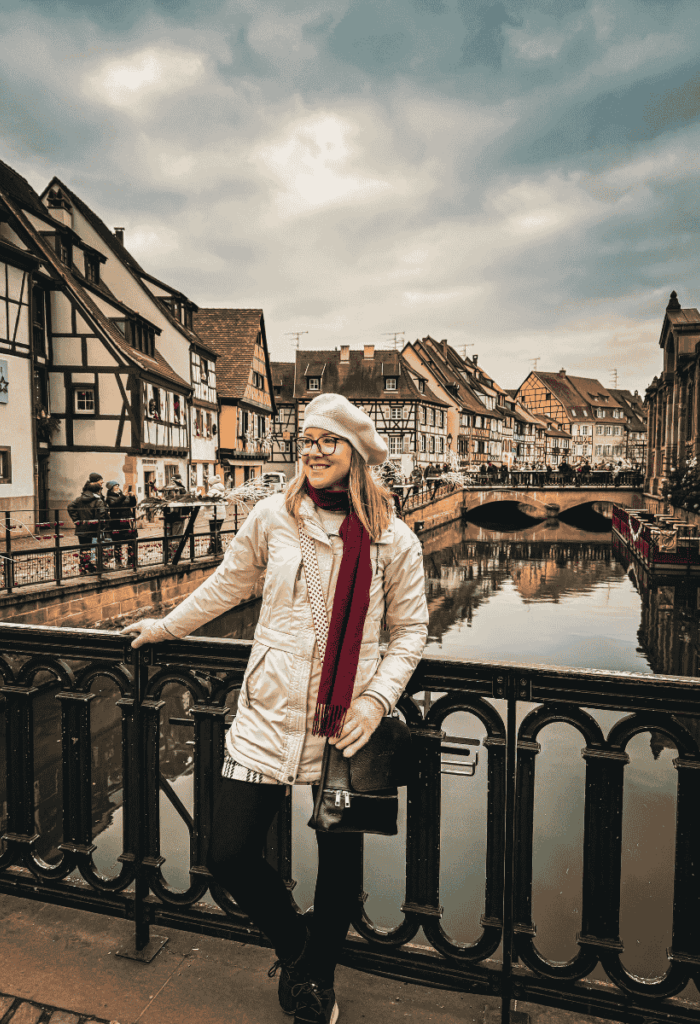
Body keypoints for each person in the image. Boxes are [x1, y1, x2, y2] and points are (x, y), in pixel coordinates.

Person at [121, 393, 428, 1024]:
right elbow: (229, 584)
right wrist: (168, 626)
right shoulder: (272, 516)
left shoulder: (393, 540)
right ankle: (296, 949)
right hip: (267, 714)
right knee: (227, 852)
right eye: (306, 439)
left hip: (346, 726)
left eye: (328, 440)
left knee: (338, 869)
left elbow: (411, 632)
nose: (313, 450)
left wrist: (376, 699)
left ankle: (316, 980)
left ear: (356, 453)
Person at [67, 473, 108, 574]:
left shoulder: (80, 498)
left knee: (84, 547)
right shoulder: (97, 500)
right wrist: (101, 525)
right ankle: (93, 566)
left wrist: (76, 520)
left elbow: (70, 506)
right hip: (93, 527)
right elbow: (102, 513)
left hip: (81, 527)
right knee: (92, 547)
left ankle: (84, 568)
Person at [105, 481, 137, 567]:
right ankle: (119, 563)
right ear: (111, 488)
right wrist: (124, 496)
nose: (118, 487)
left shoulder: (122, 495)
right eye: (115, 486)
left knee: (131, 541)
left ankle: (131, 561)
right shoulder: (109, 497)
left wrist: (132, 497)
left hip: (127, 523)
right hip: (117, 523)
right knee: (117, 543)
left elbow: (132, 504)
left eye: (118, 485)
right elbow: (114, 505)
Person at [206, 474, 227, 554]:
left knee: (213, 531)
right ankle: (215, 548)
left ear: (211, 483)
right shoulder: (221, 490)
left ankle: (215, 549)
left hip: (213, 514)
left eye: (209, 483)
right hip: (221, 514)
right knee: (217, 530)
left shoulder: (212, 491)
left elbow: (207, 502)